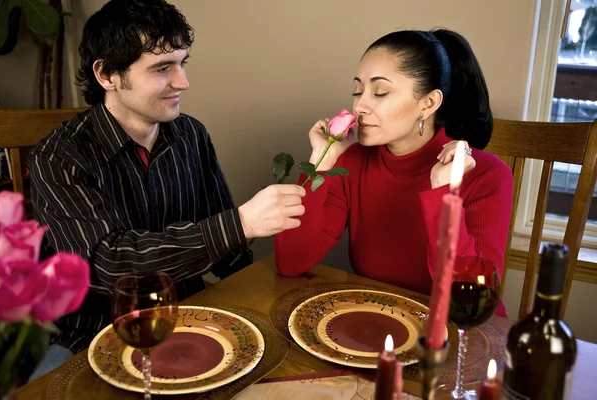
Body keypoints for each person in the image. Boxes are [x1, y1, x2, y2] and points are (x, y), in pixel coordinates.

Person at [28, 0, 305, 378]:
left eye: (182, 63)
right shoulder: (59, 156)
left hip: (189, 313)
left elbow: (228, 253)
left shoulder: (191, 134)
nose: (182, 82)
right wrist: (239, 223)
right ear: (107, 75)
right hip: (90, 333)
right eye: (162, 68)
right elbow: (108, 267)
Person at [274, 29, 513, 317]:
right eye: (357, 90)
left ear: (428, 103)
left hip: (463, 340)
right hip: (380, 328)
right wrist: (320, 161)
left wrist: (443, 195)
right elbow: (291, 262)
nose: (359, 106)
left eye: (380, 92)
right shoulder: (352, 162)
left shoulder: (488, 175)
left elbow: (469, 305)